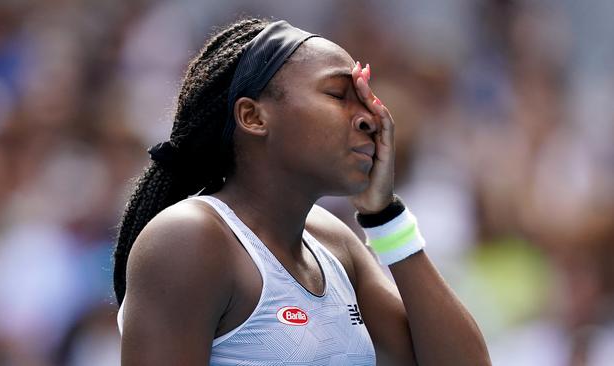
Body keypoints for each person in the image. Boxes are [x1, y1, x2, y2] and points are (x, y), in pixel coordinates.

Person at [113, 18, 491, 365]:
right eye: (339, 95)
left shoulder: (334, 243)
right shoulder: (189, 238)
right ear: (254, 117)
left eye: (364, 99)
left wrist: (384, 217)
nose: (369, 118)